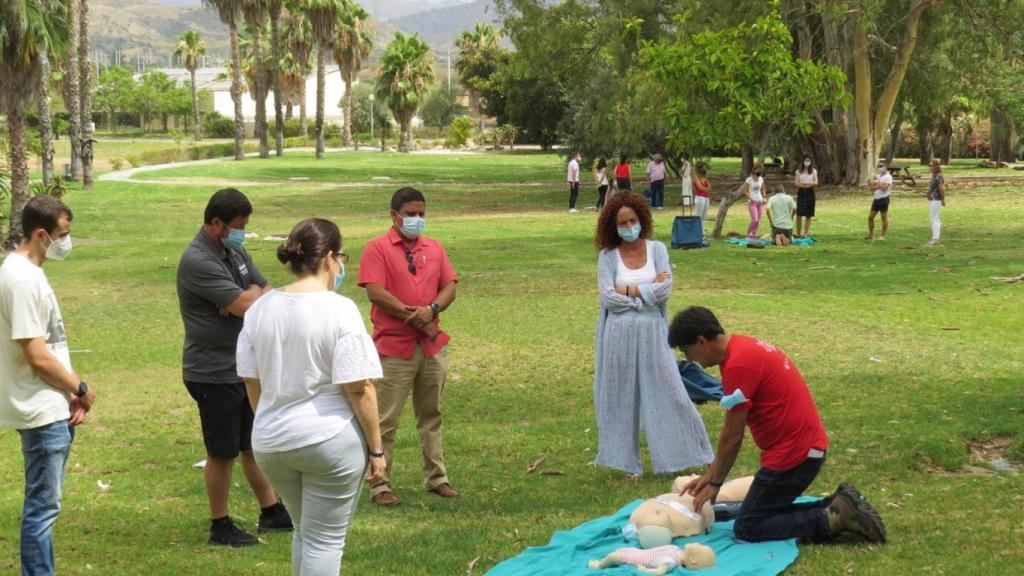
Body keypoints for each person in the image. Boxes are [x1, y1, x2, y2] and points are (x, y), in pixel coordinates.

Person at [237, 218, 386, 575]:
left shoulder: (260, 308)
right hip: (327, 439)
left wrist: (271, 420)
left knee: (306, 532)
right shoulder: (339, 309)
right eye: (342, 258)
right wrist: (377, 450)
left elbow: (251, 381)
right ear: (331, 258)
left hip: (272, 440)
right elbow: (360, 387)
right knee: (325, 540)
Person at [669, 306, 887, 544]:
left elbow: (733, 436)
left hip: (795, 456)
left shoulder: (738, 365)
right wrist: (711, 474)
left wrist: (715, 482)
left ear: (702, 342)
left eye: (687, 351)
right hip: (806, 448)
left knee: (748, 527)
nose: (689, 359)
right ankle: (837, 504)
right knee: (760, 512)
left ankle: (830, 519)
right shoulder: (743, 347)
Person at [177, 188, 292, 547]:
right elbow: (247, 302)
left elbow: (264, 290)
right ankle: (220, 524)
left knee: (252, 444)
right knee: (222, 452)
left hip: (241, 368)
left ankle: (271, 510)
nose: (242, 232)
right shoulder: (198, 259)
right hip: (212, 371)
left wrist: (250, 297)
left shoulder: (234, 250)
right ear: (215, 223)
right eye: (238, 226)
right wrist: (247, 298)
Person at [0, 196, 97, 576]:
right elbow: (36, 356)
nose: (66, 243)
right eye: (63, 235)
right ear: (41, 235)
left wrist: (70, 393)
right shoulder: (22, 280)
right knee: (42, 509)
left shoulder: (24, 272)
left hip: (52, 404)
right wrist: (81, 387)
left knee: (45, 507)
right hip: (40, 411)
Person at [593, 192, 713, 476]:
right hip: (618, 335)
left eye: (632, 220)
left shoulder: (657, 249)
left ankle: (690, 454)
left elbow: (664, 290)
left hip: (653, 333)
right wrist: (645, 294)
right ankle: (626, 462)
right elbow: (608, 298)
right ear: (613, 225)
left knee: (671, 391)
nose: (628, 226)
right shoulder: (608, 256)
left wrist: (632, 291)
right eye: (622, 223)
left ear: (641, 220)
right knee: (621, 396)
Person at [358, 187, 459, 506]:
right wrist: (416, 317)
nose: (417, 219)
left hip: (431, 347)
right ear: (394, 215)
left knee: (431, 414)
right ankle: (379, 483)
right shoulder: (377, 248)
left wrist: (433, 310)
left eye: (422, 214)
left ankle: (437, 478)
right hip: (393, 348)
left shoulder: (435, 247)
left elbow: (450, 286)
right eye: (411, 214)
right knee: (385, 419)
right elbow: (375, 292)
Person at [866, 161, 893, 240]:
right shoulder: (878, 176)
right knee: (870, 217)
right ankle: (870, 235)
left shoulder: (888, 177)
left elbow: (885, 188)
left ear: (886, 167)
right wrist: (870, 184)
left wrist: (878, 182)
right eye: (879, 166)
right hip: (876, 199)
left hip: (884, 199)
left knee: (883, 217)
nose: (880, 168)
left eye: (881, 166)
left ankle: (883, 236)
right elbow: (874, 188)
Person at [794, 156, 818, 238]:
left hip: (810, 192)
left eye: (808, 160)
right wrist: (804, 185)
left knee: (808, 214)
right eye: (805, 160)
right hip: (801, 192)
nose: (807, 162)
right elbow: (797, 183)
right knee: (799, 213)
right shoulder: (798, 171)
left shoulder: (813, 171)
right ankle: (798, 233)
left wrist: (807, 185)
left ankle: (805, 233)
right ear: (802, 161)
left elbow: (816, 182)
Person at [926, 159, 946, 246]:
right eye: (929, 166)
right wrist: (928, 194)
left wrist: (943, 199)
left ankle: (935, 239)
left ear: (936, 166)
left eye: (931, 166)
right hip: (933, 199)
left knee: (934, 218)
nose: (929, 167)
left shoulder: (938, 176)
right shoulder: (934, 176)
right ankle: (935, 238)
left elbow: (942, 189)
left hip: (936, 200)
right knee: (934, 218)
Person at [743, 166, 766, 238]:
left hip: (760, 202)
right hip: (752, 202)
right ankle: (748, 234)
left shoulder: (761, 179)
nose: (758, 174)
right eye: (757, 172)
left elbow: (763, 189)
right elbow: (745, 191)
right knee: (754, 220)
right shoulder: (749, 180)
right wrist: (750, 198)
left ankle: (754, 233)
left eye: (760, 172)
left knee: (758, 220)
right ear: (754, 171)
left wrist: (764, 197)